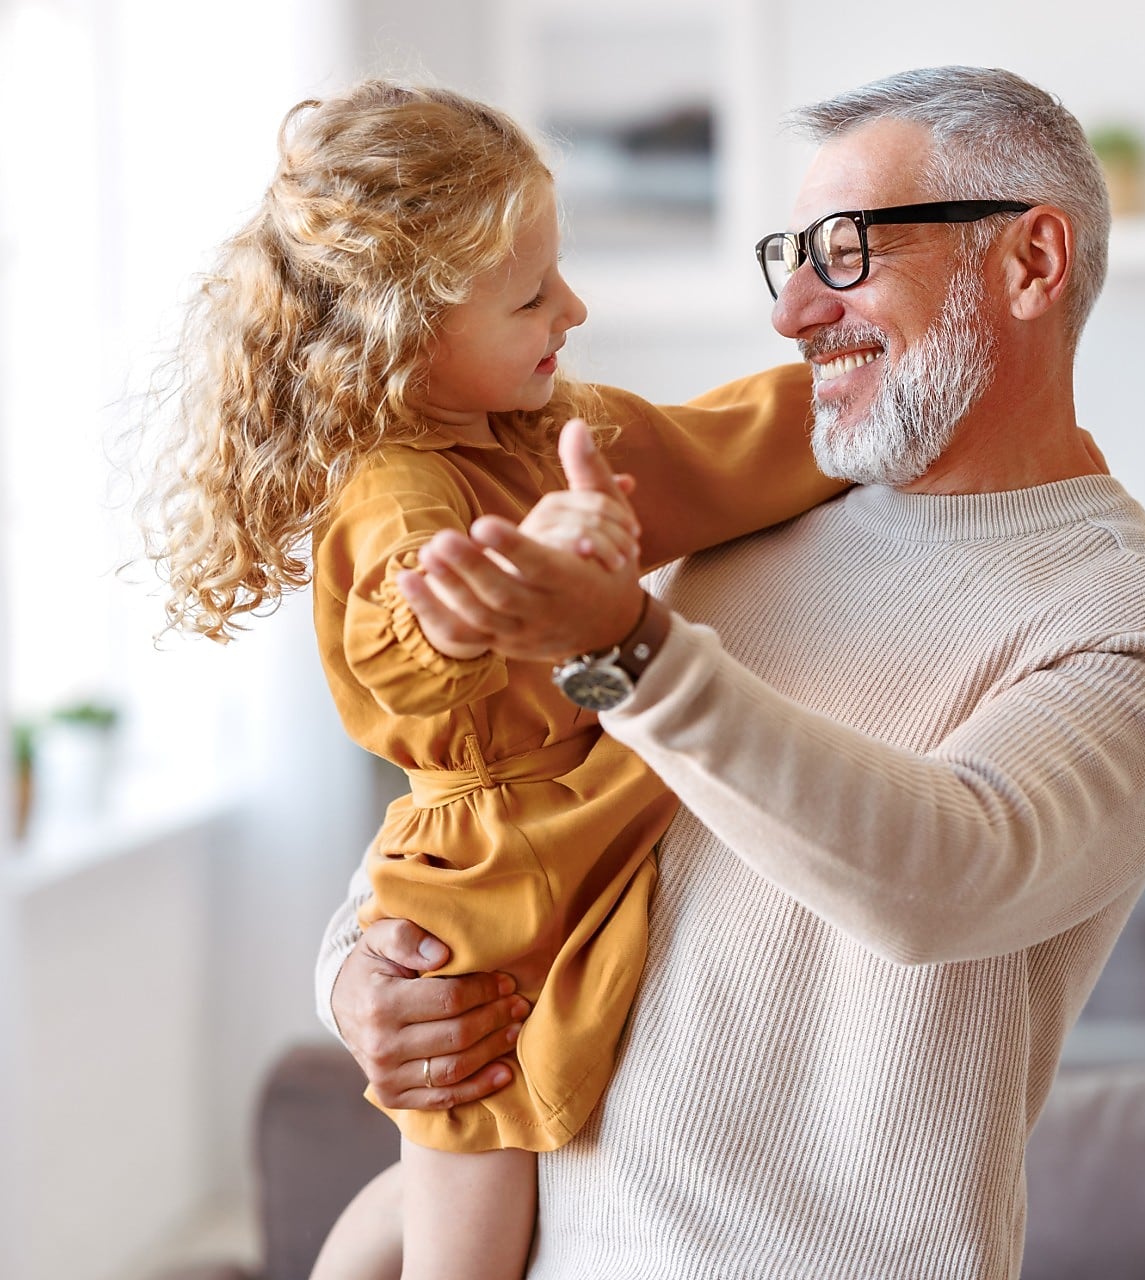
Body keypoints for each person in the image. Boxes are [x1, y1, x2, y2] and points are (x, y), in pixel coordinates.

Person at [316, 66, 1145, 1278]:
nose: (794, 311)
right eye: (789, 256)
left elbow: (944, 874)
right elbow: (499, 800)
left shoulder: (1142, 625)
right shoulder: (725, 530)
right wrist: (358, 975)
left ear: (1029, 262)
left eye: (847, 251)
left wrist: (625, 646)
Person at [135, 80, 845, 1280]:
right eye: (530, 296)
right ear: (404, 333)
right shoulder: (396, 485)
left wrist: (865, 398)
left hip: (579, 807)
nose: (573, 306)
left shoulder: (551, 430)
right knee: (469, 1197)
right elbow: (410, 632)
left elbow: (716, 448)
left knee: (471, 1191)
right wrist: (523, 574)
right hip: (486, 879)